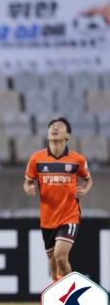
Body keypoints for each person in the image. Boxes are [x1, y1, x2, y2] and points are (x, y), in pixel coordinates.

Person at [23, 117, 93, 283]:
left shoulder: (77, 160)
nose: (55, 128)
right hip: (47, 217)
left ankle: (69, 295)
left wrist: (83, 190)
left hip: (69, 215)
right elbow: (27, 183)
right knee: (53, 262)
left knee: (60, 257)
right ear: (48, 135)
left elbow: (88, 180)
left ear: (67, 135)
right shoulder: (36, 159)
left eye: (59, 126)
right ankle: (57, 294)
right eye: (52, 127)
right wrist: (28, 189)